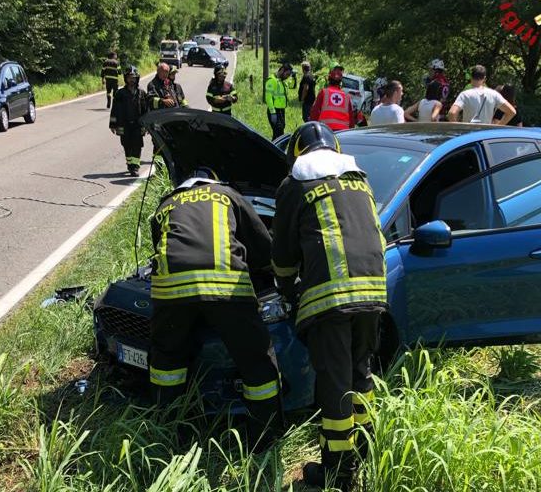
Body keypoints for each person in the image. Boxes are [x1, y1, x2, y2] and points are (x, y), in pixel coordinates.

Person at [272, 122, 388, 491]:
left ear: (296, 153)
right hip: (373, 293)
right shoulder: (360, 180)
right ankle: (368, 452)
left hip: (331, 300)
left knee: (334, 388)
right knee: (360, 374)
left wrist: (287, 289)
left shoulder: (296, 184)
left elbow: (284, 255)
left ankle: (339, 475)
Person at [149, 166, 283, 451]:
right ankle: (264, 436)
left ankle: (171, 434)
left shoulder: (167, 203)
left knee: (167, 362)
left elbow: (159, 248)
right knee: (256, 360)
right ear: (213, 180)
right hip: (224, 286)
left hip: (171, 290)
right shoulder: (227, 195)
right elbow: (261, 245)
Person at [447, 65, 516, 125]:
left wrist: (459, 129)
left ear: (471, 77)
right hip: (485, 135)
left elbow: (452, 113)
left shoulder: (465, 94)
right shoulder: (494, 94)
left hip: (468, 135)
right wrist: (498, 126)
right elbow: (512, 112)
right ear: (484, 79)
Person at [109, 65, 146, 176]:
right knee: (126, 145)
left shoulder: (141, 93)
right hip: (123, 124)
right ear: (126, 78)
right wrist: (113, 124)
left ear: (137, 78)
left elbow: (146, 110)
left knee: (137, 145)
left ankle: (135, 167)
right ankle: (130, 165)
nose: (132, 79)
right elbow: (114, 110)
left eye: (133, 77)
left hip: (137, 125)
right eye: (129, 77)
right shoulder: (120, 94)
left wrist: (147, 125)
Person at [309, 62, 357, 131]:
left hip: (326, 132)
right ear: (341, 81)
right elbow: (351, 121)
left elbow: (314, 113)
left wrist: (312, 129)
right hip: (343, 133)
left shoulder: (323, 92)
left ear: (329, 78)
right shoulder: (347, 97)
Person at [265, 62, 292, 139]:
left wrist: (294, 78)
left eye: (289, 75)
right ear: (282, 70)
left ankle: (272, 149)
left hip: (281, 110)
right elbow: (268, 98)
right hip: (274, 111)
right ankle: (276, 149)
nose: (287, 77)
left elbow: (293, 86)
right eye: (287, 74)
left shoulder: (281, 81)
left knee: (278, 133)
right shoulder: (272, 80)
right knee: (279, 134)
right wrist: (273, 112)